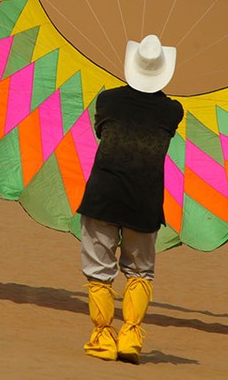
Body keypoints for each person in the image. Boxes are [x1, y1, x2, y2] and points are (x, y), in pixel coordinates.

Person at [76, 34, 184, 364]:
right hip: (144, 201)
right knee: (140, 272)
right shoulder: (172, 111)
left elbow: (101, 130)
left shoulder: (107, 101)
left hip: (103, 196)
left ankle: (103, 337)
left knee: (99, 270)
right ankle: (130, 337)